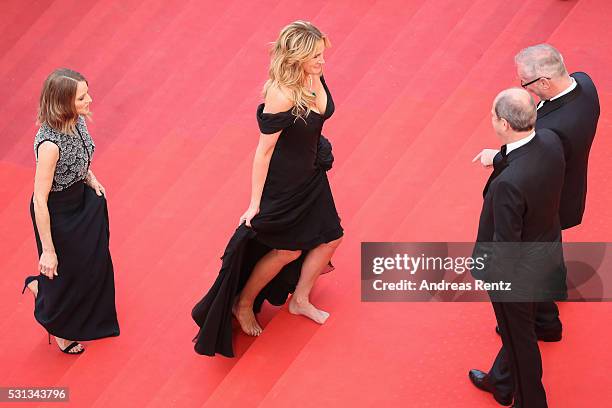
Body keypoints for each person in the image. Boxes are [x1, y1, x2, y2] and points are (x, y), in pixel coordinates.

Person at [191, 21, 343, 357]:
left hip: (312, 174)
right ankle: (243, 304)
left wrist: (316, 74)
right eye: (315, 56)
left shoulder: (313, 74)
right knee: (287, 250)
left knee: (331, 236)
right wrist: (254, 204)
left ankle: (299, 300)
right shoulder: (281, 93)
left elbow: (319, 113)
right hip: (284, 185)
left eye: (322, 54)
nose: (323, 61)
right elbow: (264, 151)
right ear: (297, 57)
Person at [473, 44, 600, 342]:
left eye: (524, 83)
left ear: (544, 82)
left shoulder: (553, 130)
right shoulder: (585, 82)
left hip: (547, 197)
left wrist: (499, 156)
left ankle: (543, 317)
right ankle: (555, 292)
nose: (523, 89)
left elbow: (534, 158)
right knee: (550, 245)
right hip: (570, 189)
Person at [469, 88, 566, 408]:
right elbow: (530, 157)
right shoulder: (551, 141)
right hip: (546, 248)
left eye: (494, 115)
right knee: (528, 324)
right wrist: (496, 157)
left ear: (505, 124)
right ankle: (503, 378)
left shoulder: (509, 183)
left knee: (518, 340)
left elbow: (505, 244)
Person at [22, 68, 120, 355]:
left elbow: (80, 155)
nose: (89, 99)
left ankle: (56, 297)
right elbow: (40, 199)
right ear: (63, 102)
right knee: (65, 269)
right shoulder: (49, 145)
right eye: (81, 97)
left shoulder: (77, 121)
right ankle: (61, 328)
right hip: (58, 212)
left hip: (82, 200)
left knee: (93, 260)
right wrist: (48, 250)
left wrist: (90, 177)